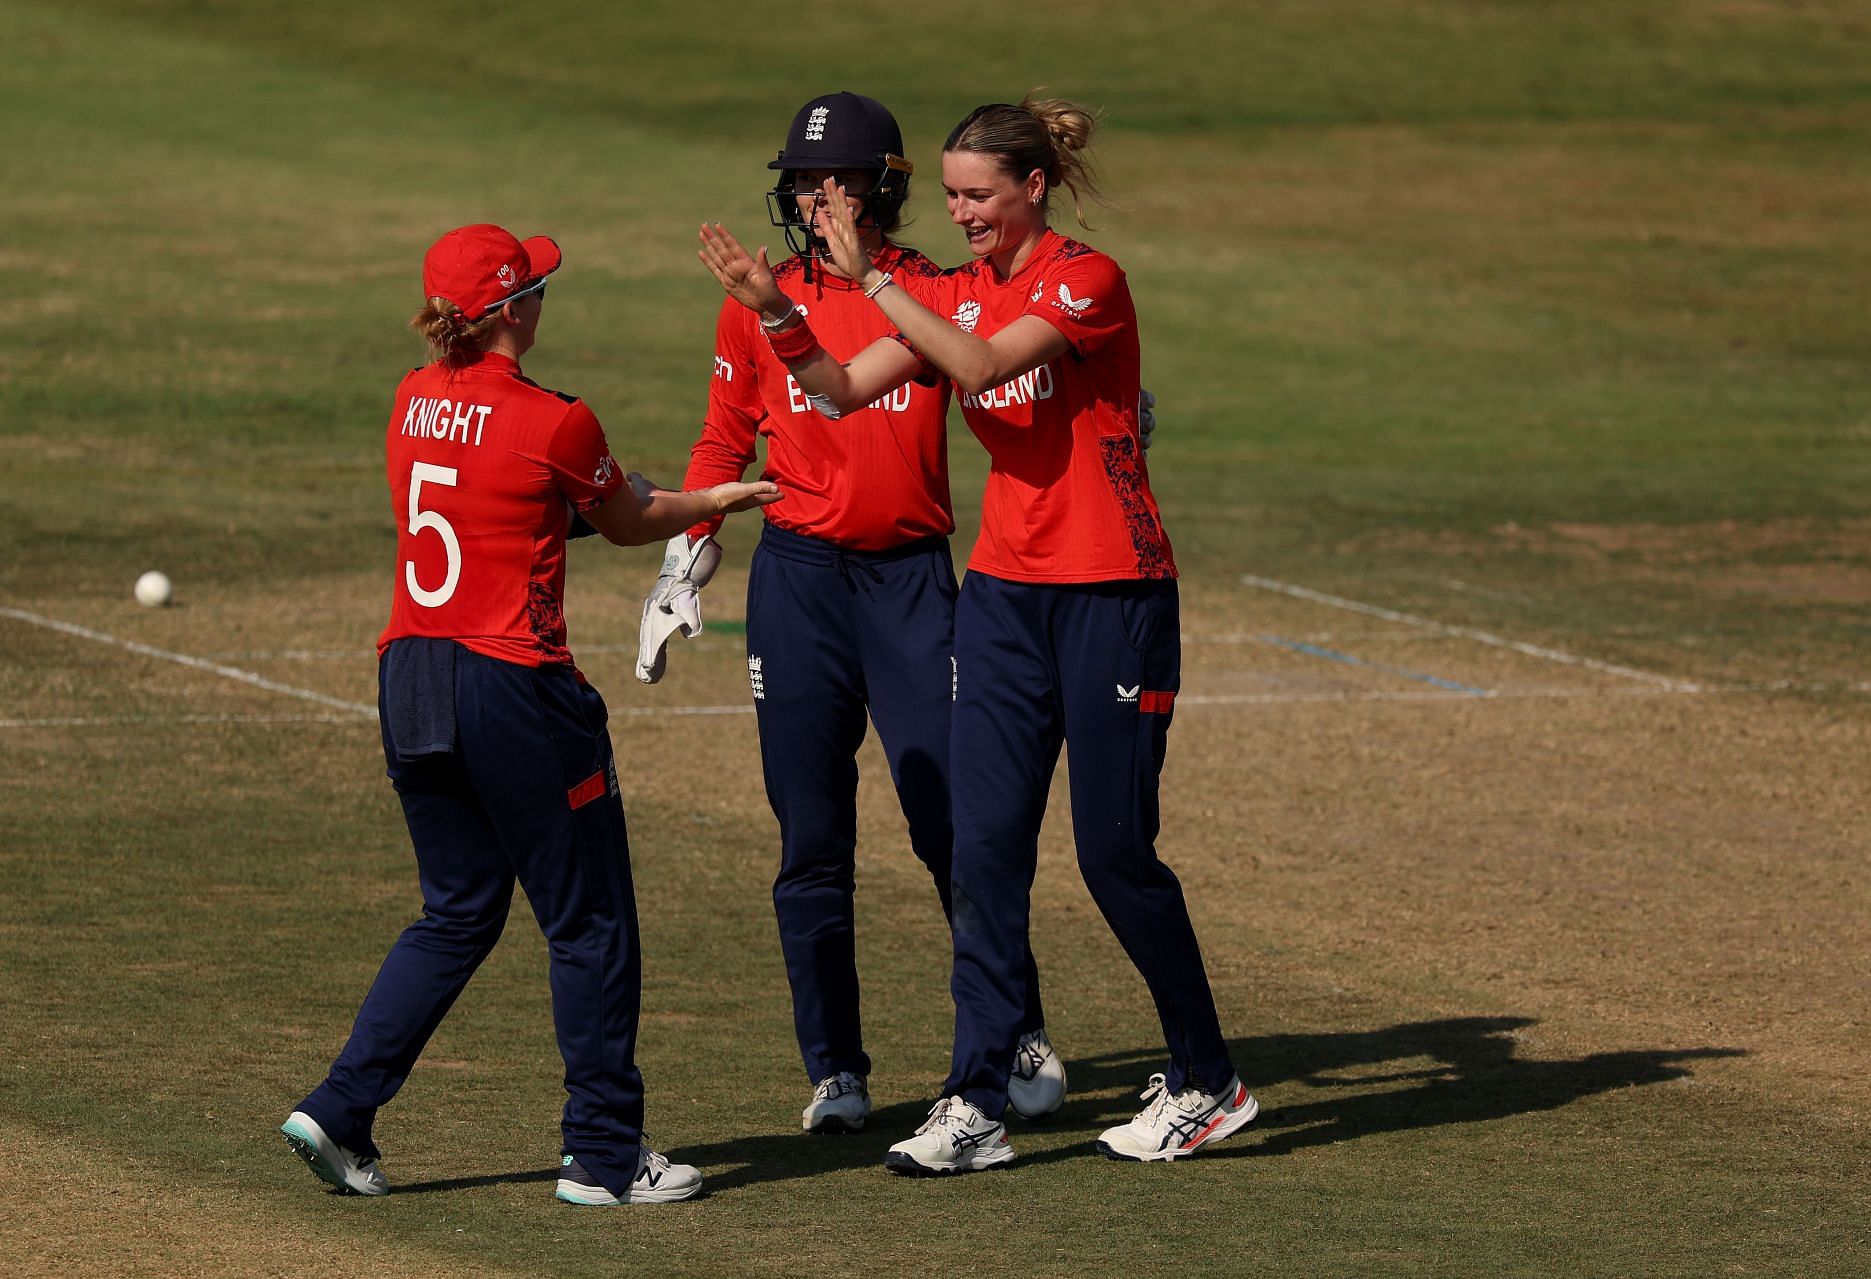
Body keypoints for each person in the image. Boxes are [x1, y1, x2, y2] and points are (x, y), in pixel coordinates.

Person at [696, 94, 1257, 1175]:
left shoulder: (1086, 280)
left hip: (1111, 593)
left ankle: (1205, 1078)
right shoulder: (963, 291)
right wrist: (774, 309)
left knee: (1114, 855)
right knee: (982, 850)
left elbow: (983, 369)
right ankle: (976, 1097)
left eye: (980, 197)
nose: (962, 216)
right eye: (951, 197)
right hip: (1001, 594)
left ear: (1034, 188)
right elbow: (842, 388)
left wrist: (869, 279)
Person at [280, 224, 780, 1206]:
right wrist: (721, 494)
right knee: (590, 918)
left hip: (411, 673)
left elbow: (497, 509)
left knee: (458, 907)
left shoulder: (411, 398)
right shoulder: (558, 419)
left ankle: (340, 1108)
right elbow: (627, 522)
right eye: (537, 288)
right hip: (515, 687)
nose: (546, 299)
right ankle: (600, 1154)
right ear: (510, 310)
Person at [646, 92, 1063, 1136]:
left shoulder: (936, 292)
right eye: (799, 180)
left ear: (880, 187)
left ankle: (1014, 1033)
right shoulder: (756, 295)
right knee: (811, 837)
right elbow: (721, 439)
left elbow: (1004, 370)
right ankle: (837, 1068)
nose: (811, 197)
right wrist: (683, 555)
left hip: (913, 583)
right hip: (797, 588)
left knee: (955, 827)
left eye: (830, 180)